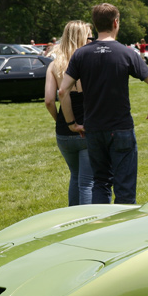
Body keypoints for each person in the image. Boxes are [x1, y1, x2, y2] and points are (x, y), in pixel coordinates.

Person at [58, 3, 148, 206]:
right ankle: (122, 232)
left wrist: (72, 123)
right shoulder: (127, 53)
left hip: (94, 129)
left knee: (100, 183)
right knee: (124, 189)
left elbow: (62, 91)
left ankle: (100, 230)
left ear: (95, 25)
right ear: (116, 23)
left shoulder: (80, 55)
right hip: (121, 128)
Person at [45, 20, 93, 206]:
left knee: (75, 176)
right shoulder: (88, 63)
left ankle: (72, 223)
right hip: (87, 128)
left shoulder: (54, 65)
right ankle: (88, 223)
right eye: (89, 35)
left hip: (64, 132)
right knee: (88, 182)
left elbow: (49, 101)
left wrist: (63, 120)